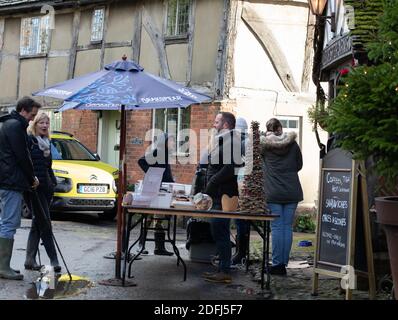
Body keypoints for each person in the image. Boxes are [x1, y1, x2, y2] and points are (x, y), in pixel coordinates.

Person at [0, 96, 41, 280]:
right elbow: (21, 156)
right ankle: (3, 267)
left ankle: (4, 265)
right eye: (32, 115)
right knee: (9, 223)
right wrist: (32, 177)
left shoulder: (8, 124)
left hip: (7, 180)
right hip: (11, 182)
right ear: (23, 110)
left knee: (5, 223)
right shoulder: (15, 126)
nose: (32, 119)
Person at [260, 118, 303, 275]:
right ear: (281, 128)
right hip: (292, 190)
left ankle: (278, 264)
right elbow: (299, 165)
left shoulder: (264, 146)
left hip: (274, 192)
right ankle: (283, 263)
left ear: (268, 129)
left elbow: (253, 156)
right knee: (287, 227)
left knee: (277, 227)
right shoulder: (293, 144)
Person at [202, 112, 240, 283]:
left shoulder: (232, 141)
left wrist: (211, 183)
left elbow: (229, 168)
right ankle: (222, 268)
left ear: (225, 125)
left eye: (216, 121)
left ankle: (224, 270)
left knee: (221, 231)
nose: (213, 124)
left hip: (223, 194)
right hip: (217, 193)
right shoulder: (224, 140)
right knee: (217, 231)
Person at [24, 111, 61, 272]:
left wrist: (53, 182)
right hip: (34, 189)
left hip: (46, 189)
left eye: (47, 123)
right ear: (35, 124)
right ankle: (54, 260)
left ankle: (29, 259)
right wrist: (32, 180)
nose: (45, 126)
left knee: (37, 223)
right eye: (41, 123)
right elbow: (26, 165)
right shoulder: (30, 141)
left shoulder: (47, 142)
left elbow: (48, 167)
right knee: (45, 223)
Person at [137, 133, 175, 256]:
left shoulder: (164, 153)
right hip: (154, 189)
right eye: (171, 141)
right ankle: (141, 246)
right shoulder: (158, 151)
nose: (173, 144)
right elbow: (141, 161)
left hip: (163, 189)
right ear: (164, 142)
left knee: (160, 218)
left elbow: (165, 172)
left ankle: (159, 247)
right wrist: (152, 175)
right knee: (149, 218)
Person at [231, 117, 251, 266]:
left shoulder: (239, 143)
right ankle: (243, 253)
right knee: (244, 221)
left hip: (239, 185)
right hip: (247, 186)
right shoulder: (249, 141)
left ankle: (240, 253)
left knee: (240, 220)